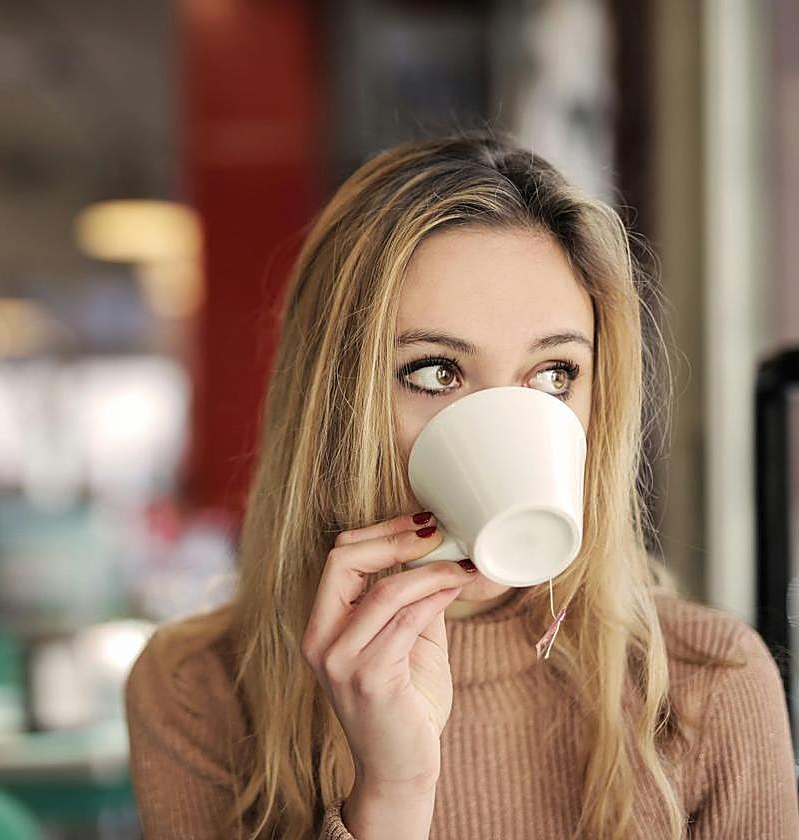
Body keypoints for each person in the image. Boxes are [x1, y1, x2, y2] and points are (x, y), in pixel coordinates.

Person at [123, 133, 799, 839]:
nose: (508, 428)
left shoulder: (708, 684)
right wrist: (391, 794)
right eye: (436, 371)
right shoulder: (196, 689)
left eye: (554, 375)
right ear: (333, 404)